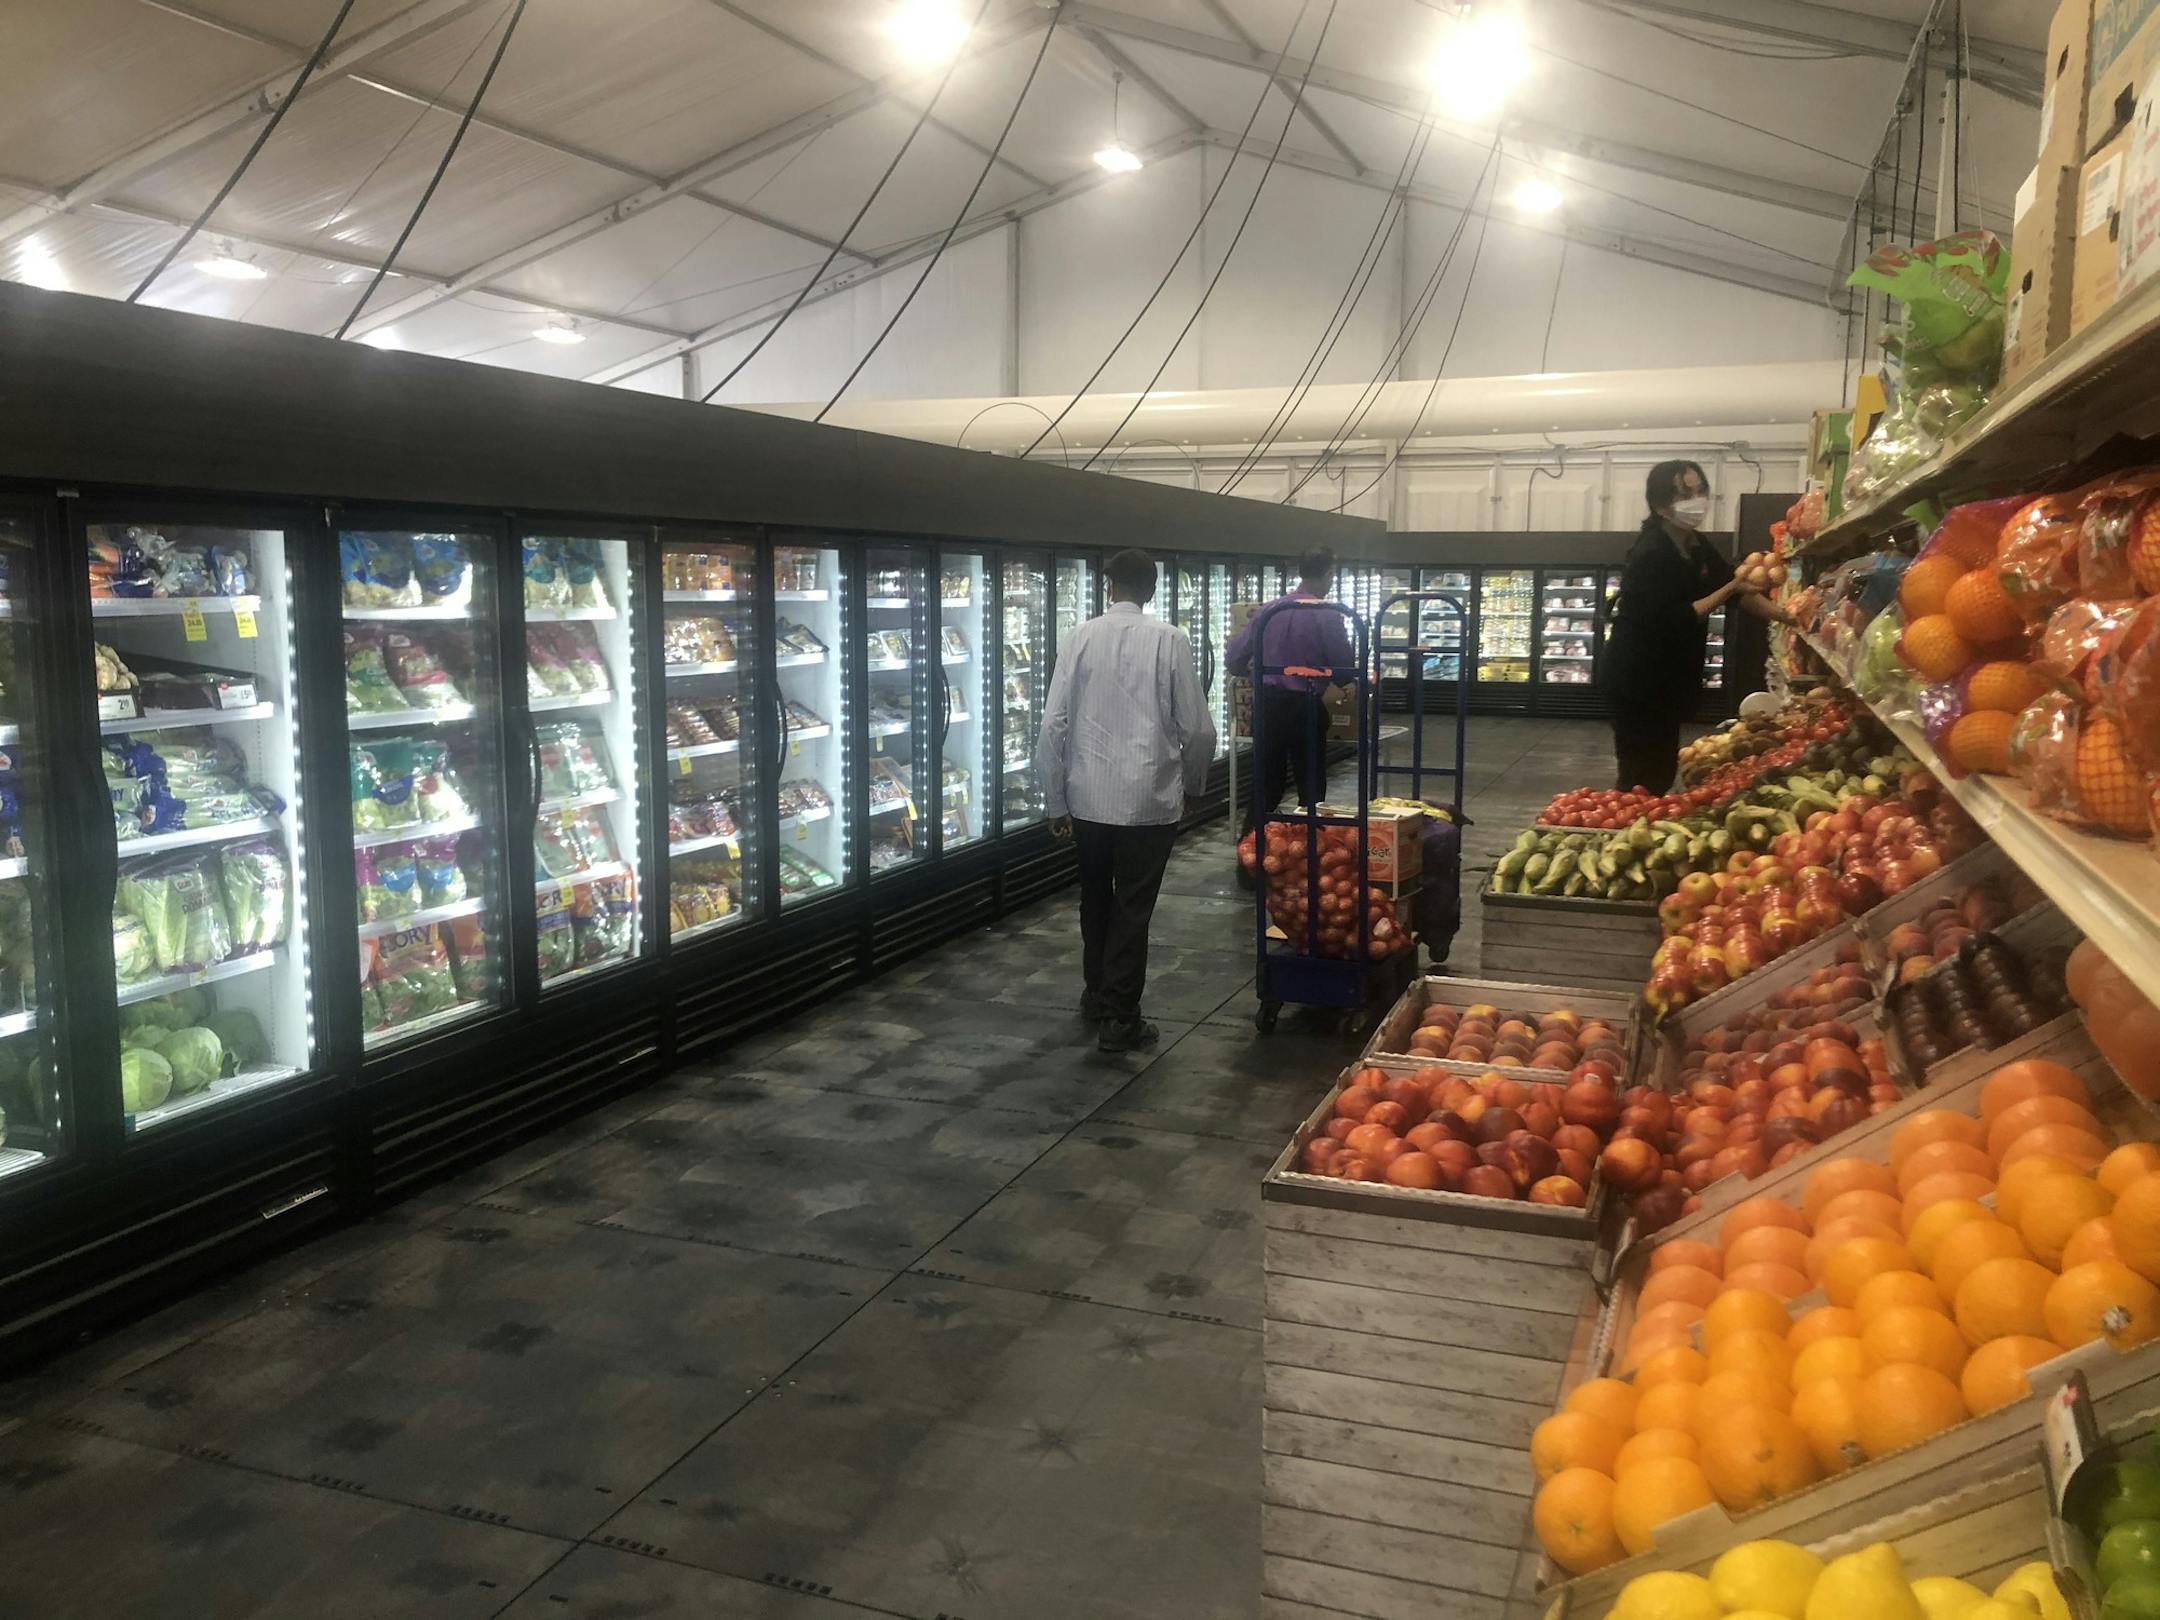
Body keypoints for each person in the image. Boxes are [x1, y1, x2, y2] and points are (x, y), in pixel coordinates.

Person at [1035, 548, 1217, 1052]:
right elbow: (1198, 730)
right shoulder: (1170, 640)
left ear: (1108, 587)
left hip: (1087, 796)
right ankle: (1120, 1015)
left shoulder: (1079, 637)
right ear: (1152, 589)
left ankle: (1097, 992)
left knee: (1095, 899)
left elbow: (1053, 725)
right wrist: (1195, 787)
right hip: (1149, 799)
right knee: (1133, 908)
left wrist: (1055, 799)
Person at [1601, 460, 1792, 794]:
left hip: (1670, 676)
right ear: (1661, 505)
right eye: (1685, 492)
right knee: (1642, 771)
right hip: (1637, 678)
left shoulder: (1696, 544)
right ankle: (1628, 827)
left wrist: (1787, 616)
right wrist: (1732, 588)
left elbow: (1738, 593)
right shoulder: (1651, 552)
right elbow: (1683, 615)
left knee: (1662, 765)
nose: (1697, 499)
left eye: (1701, 490)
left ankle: (1644, 819)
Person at [1225, 549, 1355, 857]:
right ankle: (1309, 857)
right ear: (1327, 575)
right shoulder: (1327, 613)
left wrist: (1258, 670)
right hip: (1304, 707)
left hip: (1268, 706)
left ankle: (1252, 859)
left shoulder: (1270, 610)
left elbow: (1234, 659)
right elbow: (1345, 666)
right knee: (1310, 788)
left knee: (1265, 786)